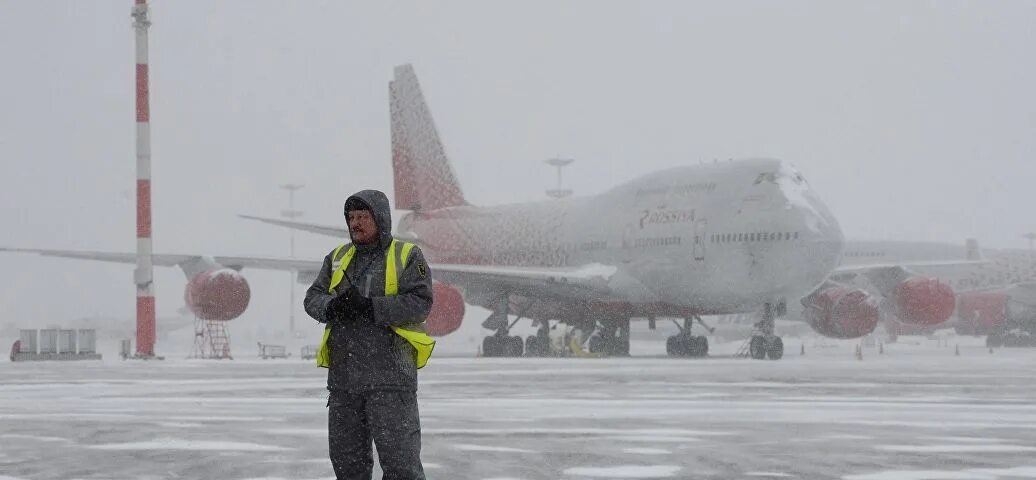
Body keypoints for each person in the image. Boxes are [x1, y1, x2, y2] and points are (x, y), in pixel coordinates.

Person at [304, 189, 434, 480]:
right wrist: (332, 306)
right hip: (344, 384)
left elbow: (421, 302)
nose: (355, 223)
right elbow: (312, 298)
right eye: (351, 217)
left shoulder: (407, 255)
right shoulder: (337, 258)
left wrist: (371, 307)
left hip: (391, 381)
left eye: (362, 217)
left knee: (402, 468)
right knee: (348, 468)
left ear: (380, 219)